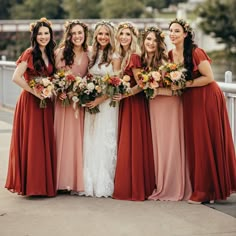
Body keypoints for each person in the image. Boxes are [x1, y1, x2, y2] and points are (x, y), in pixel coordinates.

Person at [168, 18, 236, 203]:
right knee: (196, 142)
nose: (172, 34)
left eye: (176, 31)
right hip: (190, 100)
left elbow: (209, 78)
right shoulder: (170, 54)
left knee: (205, 140)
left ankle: (206, 191)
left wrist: (184, 83)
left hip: (207, 98)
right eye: (171, 30)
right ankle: (206, 188)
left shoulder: (196, 52)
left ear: (185, 34)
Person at [136, 26, 192, 201]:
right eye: (148, 39)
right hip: (154, 107)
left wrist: (158, 91)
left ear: (159, 43)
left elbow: (178, 90)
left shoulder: (165, 61)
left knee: (172, 144)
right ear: (143, 41)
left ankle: (174, 186)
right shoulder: (141, 61)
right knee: (158, 145)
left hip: (170, 105)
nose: (151, 43)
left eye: (155, 40)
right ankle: (161, 184)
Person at [5, 17, 57, 197]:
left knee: (44, 141)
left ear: (50, 35)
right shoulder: (29, 53)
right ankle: (33, 186)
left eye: (46, 33)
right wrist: (35, 92)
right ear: (34, 36)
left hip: (46, 102)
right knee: (33, 141)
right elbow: (16, 77)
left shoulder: (51, 53)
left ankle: (43, 184)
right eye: (40, 34)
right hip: (31, 102)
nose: (43, 37)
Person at [112, 22, 155, 201]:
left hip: (134, 103)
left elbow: (142, 83)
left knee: (133, 141)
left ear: (133, 37)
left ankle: (134, 187)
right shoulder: (122, 55)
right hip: (127, 102)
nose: (124, 37)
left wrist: (125, 95)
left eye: (127, 34)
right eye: (121, 34)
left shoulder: (135, 57)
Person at [80, 21, 120, 197]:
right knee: (90, 138)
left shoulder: (115, 56)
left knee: (104, 140)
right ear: (95, 35)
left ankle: (104, 183)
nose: (102, 37)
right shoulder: (92, 53)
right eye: (100, 34)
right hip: (91, 102)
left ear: (111, 36)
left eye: (106, 34)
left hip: (107, 105)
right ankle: (89, 181)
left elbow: (115, 85)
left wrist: (99, 100)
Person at [54, 20, 89, 193]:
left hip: (79, 105)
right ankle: (59, 181)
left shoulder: (90, 53)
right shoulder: (60, 53)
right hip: (63, 104)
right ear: (69, 35)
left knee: (76, 141)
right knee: (60, 139)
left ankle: (73, 181)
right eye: (74, 33)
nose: (77, 36)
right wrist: (59, 91)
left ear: (84, 35)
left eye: (80, 33)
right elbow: (53, 77)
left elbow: (91, 78)